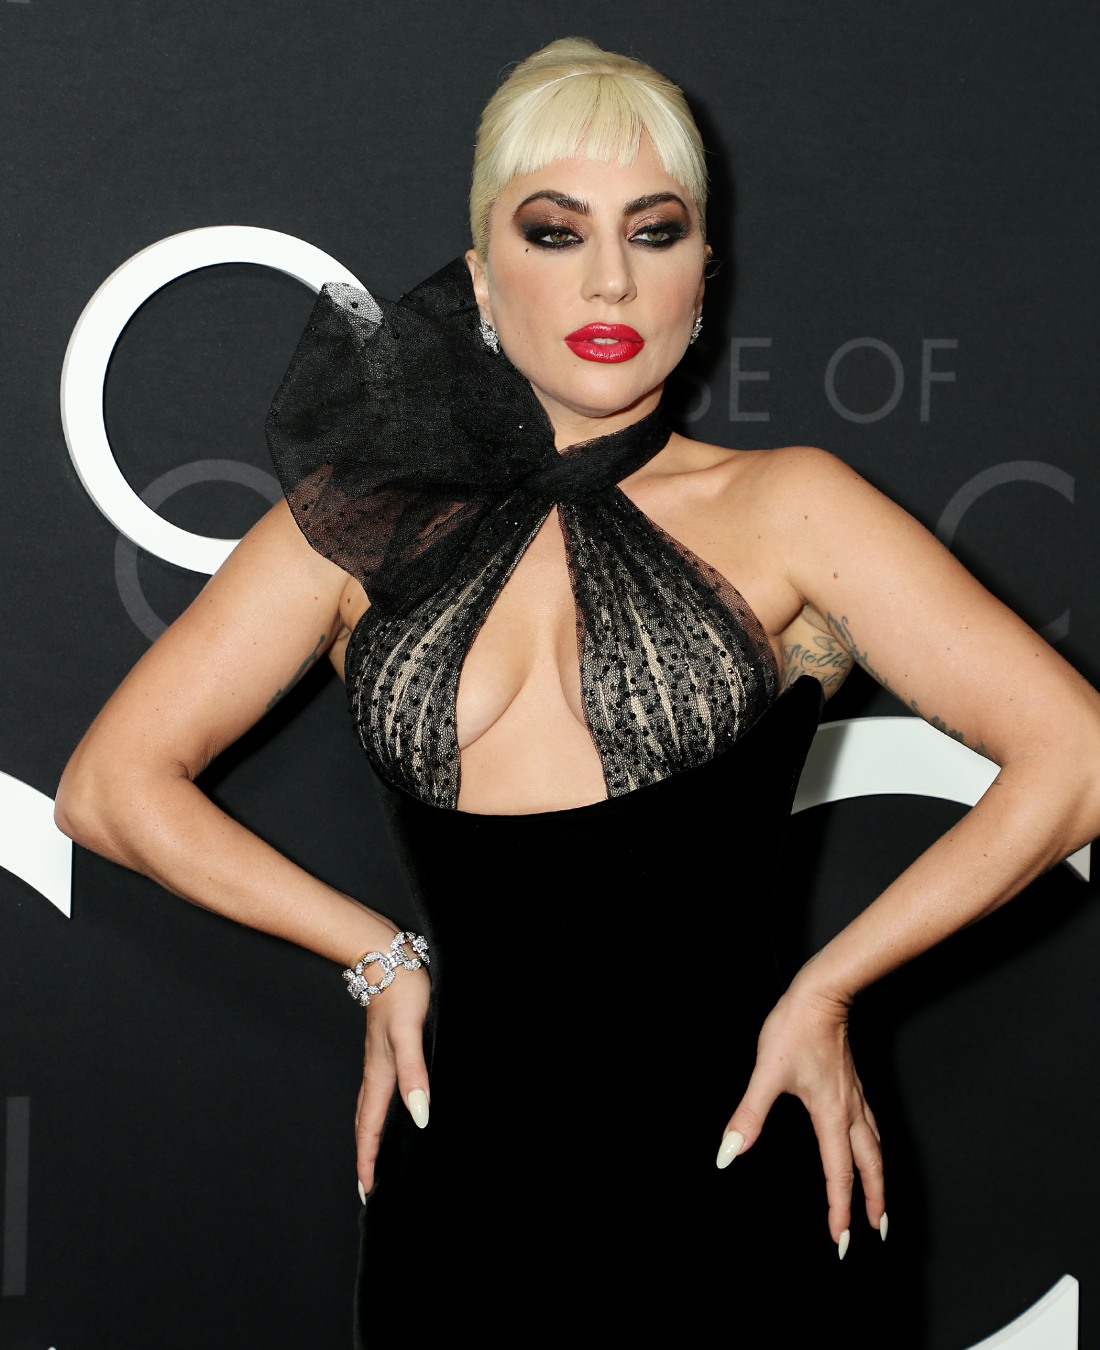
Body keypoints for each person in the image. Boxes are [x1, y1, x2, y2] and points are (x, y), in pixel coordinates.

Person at [55, 35, 1100, 1345]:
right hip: (464, 1205)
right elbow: (110, 788)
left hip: (736, 1179)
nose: (611, 277)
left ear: (704, 275)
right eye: (556, 232)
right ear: (480, 278)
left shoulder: (791, 506)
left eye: (654, 232)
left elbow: (1079, 756)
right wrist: (374, 957)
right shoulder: (363, 526)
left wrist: (831, 987)